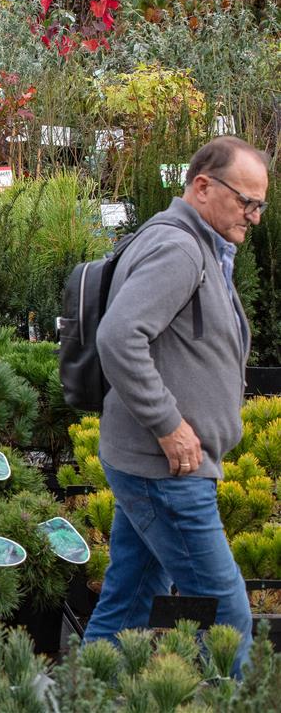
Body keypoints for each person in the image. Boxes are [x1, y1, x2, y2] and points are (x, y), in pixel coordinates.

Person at [83, 136, 268, 676]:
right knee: (227, 614)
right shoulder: (180, 249)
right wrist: (170, 425)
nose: (254, 217)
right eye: (246, 202)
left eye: (261, 205)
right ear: (203, 186)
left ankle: (90, 691)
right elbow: (119, 338)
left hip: (151, 464)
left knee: (128, 602)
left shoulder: (195, 244)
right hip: (166, 469)